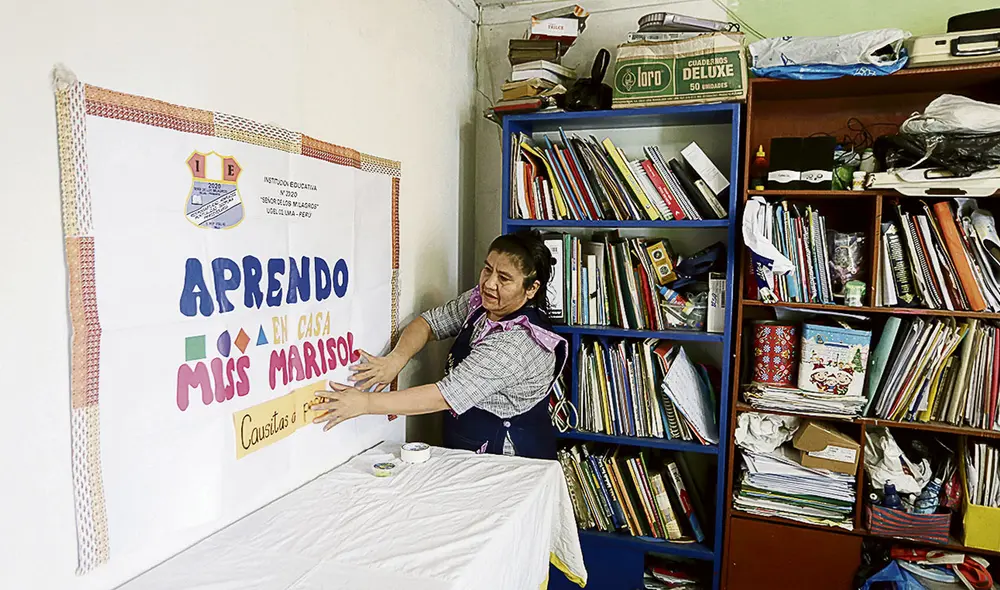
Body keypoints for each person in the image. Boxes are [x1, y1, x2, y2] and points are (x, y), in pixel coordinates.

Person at [311, 230, 567, 460]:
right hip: (469, 439)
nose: (489, 283)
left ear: (532, 288)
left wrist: (365, 404)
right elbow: (429, 323)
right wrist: (396, 360)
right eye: (487, 269)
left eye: (504, 278)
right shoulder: (481, 302)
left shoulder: (516, 344)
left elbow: (445, 394)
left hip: (508, 457)